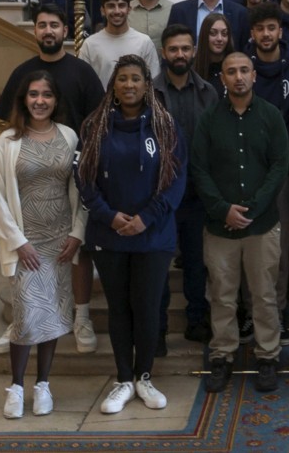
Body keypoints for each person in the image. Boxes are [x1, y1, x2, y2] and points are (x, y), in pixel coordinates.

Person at [76, 56, 186, 414]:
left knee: (149, 307)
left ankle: (145, 376)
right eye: (122, 78)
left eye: (135, 78)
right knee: (119, 307)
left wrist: (145, 218)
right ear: (114, 85)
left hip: (153, 236)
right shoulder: (94, 126)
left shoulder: (165, 125)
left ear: (146, 84)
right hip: (109, 235)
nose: (129, 85)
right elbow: (84, 179)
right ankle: (123, 378)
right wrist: (110, 217)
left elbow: (176, 181)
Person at [0, 71, 85, 419]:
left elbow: (80, 189)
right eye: (33, 94)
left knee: (54, 317)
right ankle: (15, 387)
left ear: (56, 100)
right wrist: (18, 242)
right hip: (26, 245)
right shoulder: (8, 142)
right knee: (27, 318)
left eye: (47, 94)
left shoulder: (70, 137)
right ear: (23, 99)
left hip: (60, 242)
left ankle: (43, 384)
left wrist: (77, 233)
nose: (40, 101)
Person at [190, 53, 289, 394]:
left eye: (244, 70)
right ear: (223, 80)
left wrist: (252, 208)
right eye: (231, 72)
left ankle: (267, 356)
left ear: (255, 75)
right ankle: (222, 356)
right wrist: (222, 209)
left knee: (264, 296)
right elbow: (199, 169)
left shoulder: (271, 116)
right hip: (221, 229)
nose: (238, 77)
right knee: (222, 296)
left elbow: (280, 165)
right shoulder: (209, 119)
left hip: (262, 227)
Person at [154, 24, 220, 344]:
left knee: (196, 262)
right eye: (173, 49)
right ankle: (159, 327)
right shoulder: (150, 93)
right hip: (160, 194)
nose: (179, 54)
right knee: (160, 264)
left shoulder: (208, 91)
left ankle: (196, 319)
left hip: (196, 194)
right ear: (163, 53)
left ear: (194, 51)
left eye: (185, 49)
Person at [79, 0, 162, 83]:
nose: (117, 11)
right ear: (102, 10)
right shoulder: (90, 44)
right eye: (111, 6)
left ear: (129, 9)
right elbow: (83, 82)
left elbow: (154, 80)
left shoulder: (144, 42)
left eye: (121, 5)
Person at [194, 13, 234, 85]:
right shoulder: (192, 69)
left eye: (224, 33)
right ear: (204, 35)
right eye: (213, 33)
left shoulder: (236, 67)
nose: (219, 38)